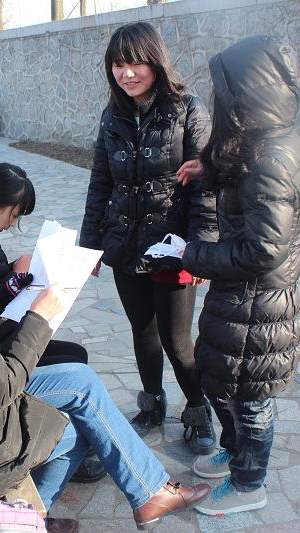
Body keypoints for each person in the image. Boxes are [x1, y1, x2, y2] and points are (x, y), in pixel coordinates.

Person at [0, 154, 211, 533]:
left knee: (79, 399)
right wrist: (39, 318)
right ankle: (106, 502)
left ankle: (41, 515)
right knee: (80, 403)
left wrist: (14, 294)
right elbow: (1, 389)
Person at [178, 35, 300, 516]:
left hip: (260, 306)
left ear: (247, 95)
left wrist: (192, 254)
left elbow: (262, 251)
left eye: (224, 91)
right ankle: (234, 453)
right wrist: (208, 167)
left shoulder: (272, 157)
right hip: (242, 300)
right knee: (222, 381)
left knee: (250, 397)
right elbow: (243, 185)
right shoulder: (261, 144)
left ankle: (249, 483)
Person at [79, 21, 218, 454]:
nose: (127, 73)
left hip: (173, 249)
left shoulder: (188, 109)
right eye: (118, 64)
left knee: (178, 342)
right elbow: (100, 183)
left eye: (136, 62)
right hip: (124, 244)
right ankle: (152, 405)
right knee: (143, 332)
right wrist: (90, 246)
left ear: (155, 61)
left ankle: (198, 411)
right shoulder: (112, 116)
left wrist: (200, 250)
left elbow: (205, 185)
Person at [0, 162, 104, 484]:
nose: (13, 224)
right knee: (75, 366)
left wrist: (17, 269)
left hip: (2, 340)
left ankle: (70, 446)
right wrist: (15, 282)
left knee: (76, 355)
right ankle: (69, 448)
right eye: (13, 215)